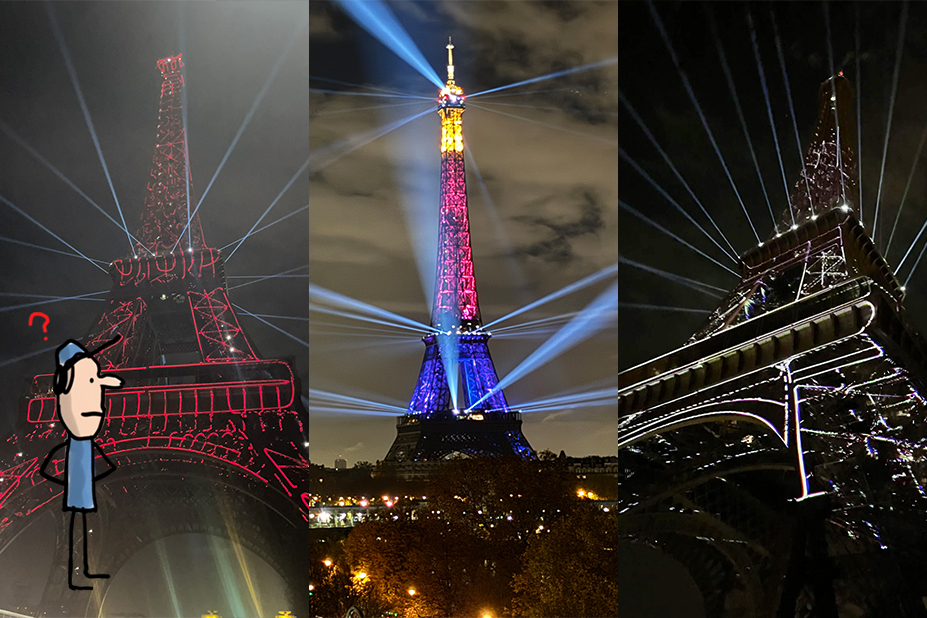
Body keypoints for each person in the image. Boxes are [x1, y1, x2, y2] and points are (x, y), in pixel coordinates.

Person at [40, 335, 124, 591]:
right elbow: (46, 469)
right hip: (78, 485)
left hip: (83, 484)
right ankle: (75, 572)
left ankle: (83, 570)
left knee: (81, 525)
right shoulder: (74, 446)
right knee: (77, 525)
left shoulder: (88, 445)